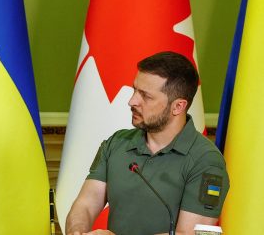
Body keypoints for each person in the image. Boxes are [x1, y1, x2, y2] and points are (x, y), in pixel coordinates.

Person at [65, 51, 229, 235]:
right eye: (134, 90)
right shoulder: (117, 143)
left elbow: (187, 234)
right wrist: (77, 232)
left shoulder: (206, 161)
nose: (132, 101)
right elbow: (86, 204)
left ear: (178, 106)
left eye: (146, 96)